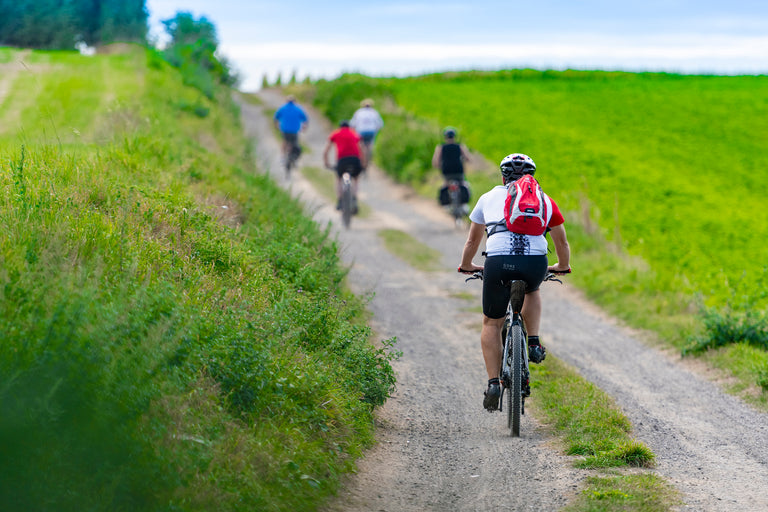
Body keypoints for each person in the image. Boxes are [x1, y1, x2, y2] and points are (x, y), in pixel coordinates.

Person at [458, 153, 571, 411]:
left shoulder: (487, 198)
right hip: (534, 263)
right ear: (531, 176)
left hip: (498, 263)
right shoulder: (544, 200)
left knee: (491, 323)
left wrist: (466, 265)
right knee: (532, 289)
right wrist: (562, 266)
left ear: (502, 176)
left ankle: (494, 383)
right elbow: (562, 242)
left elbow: (472, 241)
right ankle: (533, 341)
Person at [323, 120, 366, 212]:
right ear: (349, 127)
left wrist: (326, 163)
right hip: (355, 160)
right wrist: (363, 163)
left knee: (339, 179)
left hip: (342, 160)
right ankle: (354, 199)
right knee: (356, 179)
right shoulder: (354, 134)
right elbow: (362, 148)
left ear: (340, 127)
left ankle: (340, 201)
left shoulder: (335, 133)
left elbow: (326, 150)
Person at [350, 99, 384, 168]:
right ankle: (370, 158)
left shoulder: (358, 112)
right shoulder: (374, 112)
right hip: (371, 131)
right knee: (370, 144)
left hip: (361, 131)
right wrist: (376, 131)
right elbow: (380, 124)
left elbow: (352, 124)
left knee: (361, 146)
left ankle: (363, 160)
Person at [273, 95, 308, 162]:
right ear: (294, 101)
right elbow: (305, 119)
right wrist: (304, 127)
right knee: (295, 143)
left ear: (286, 101)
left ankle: (283, 157)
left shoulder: (283, 108)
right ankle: (294, 159)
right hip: (295, 130)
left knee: (285, 142)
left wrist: (276, 126)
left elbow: (275, 117)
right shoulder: (298, 109)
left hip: (285, 129)